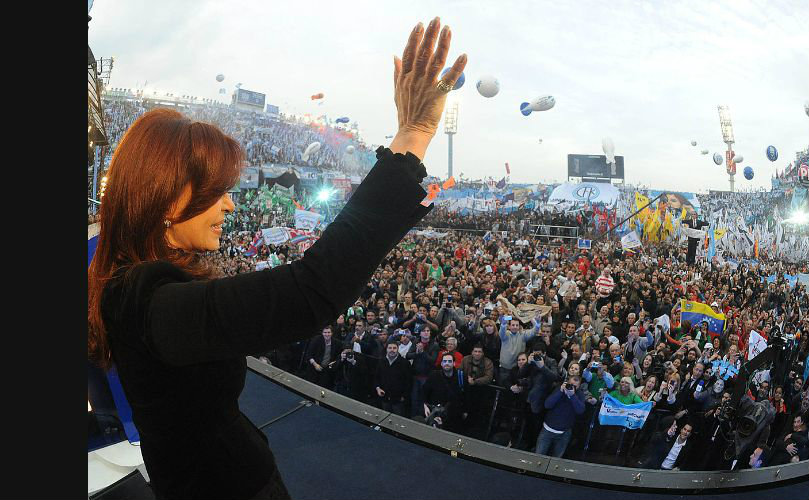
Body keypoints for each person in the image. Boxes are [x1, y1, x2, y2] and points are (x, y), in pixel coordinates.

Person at [87, 17, 468, 500]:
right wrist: (411, 138)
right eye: (215, 191)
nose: (229, 204)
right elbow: (308, 291)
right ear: (165, 201)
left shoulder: (138, 289)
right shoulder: (152, 305)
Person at [536, 375, 585, 457]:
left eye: (575, 386)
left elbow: (580, 410)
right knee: (538, 457)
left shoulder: (579, 394)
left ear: (579, 386)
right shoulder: (559, 389)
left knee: (556, 461)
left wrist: (572, 396)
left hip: (564, 433)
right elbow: (547, 405)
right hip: (547, 430)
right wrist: (560, 391)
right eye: (570, 384)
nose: (571, 387)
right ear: (567, 382)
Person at [374, 342, 412, 416]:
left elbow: (409, 382)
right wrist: (378, 388)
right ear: (386, 349)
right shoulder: (381, 361)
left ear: (398, 349)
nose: (392, 350)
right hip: (384, 397)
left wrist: (404, 396)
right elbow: (376, 377)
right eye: (390, 348)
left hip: (398, 399)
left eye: (394, 348)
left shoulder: (405, 363)